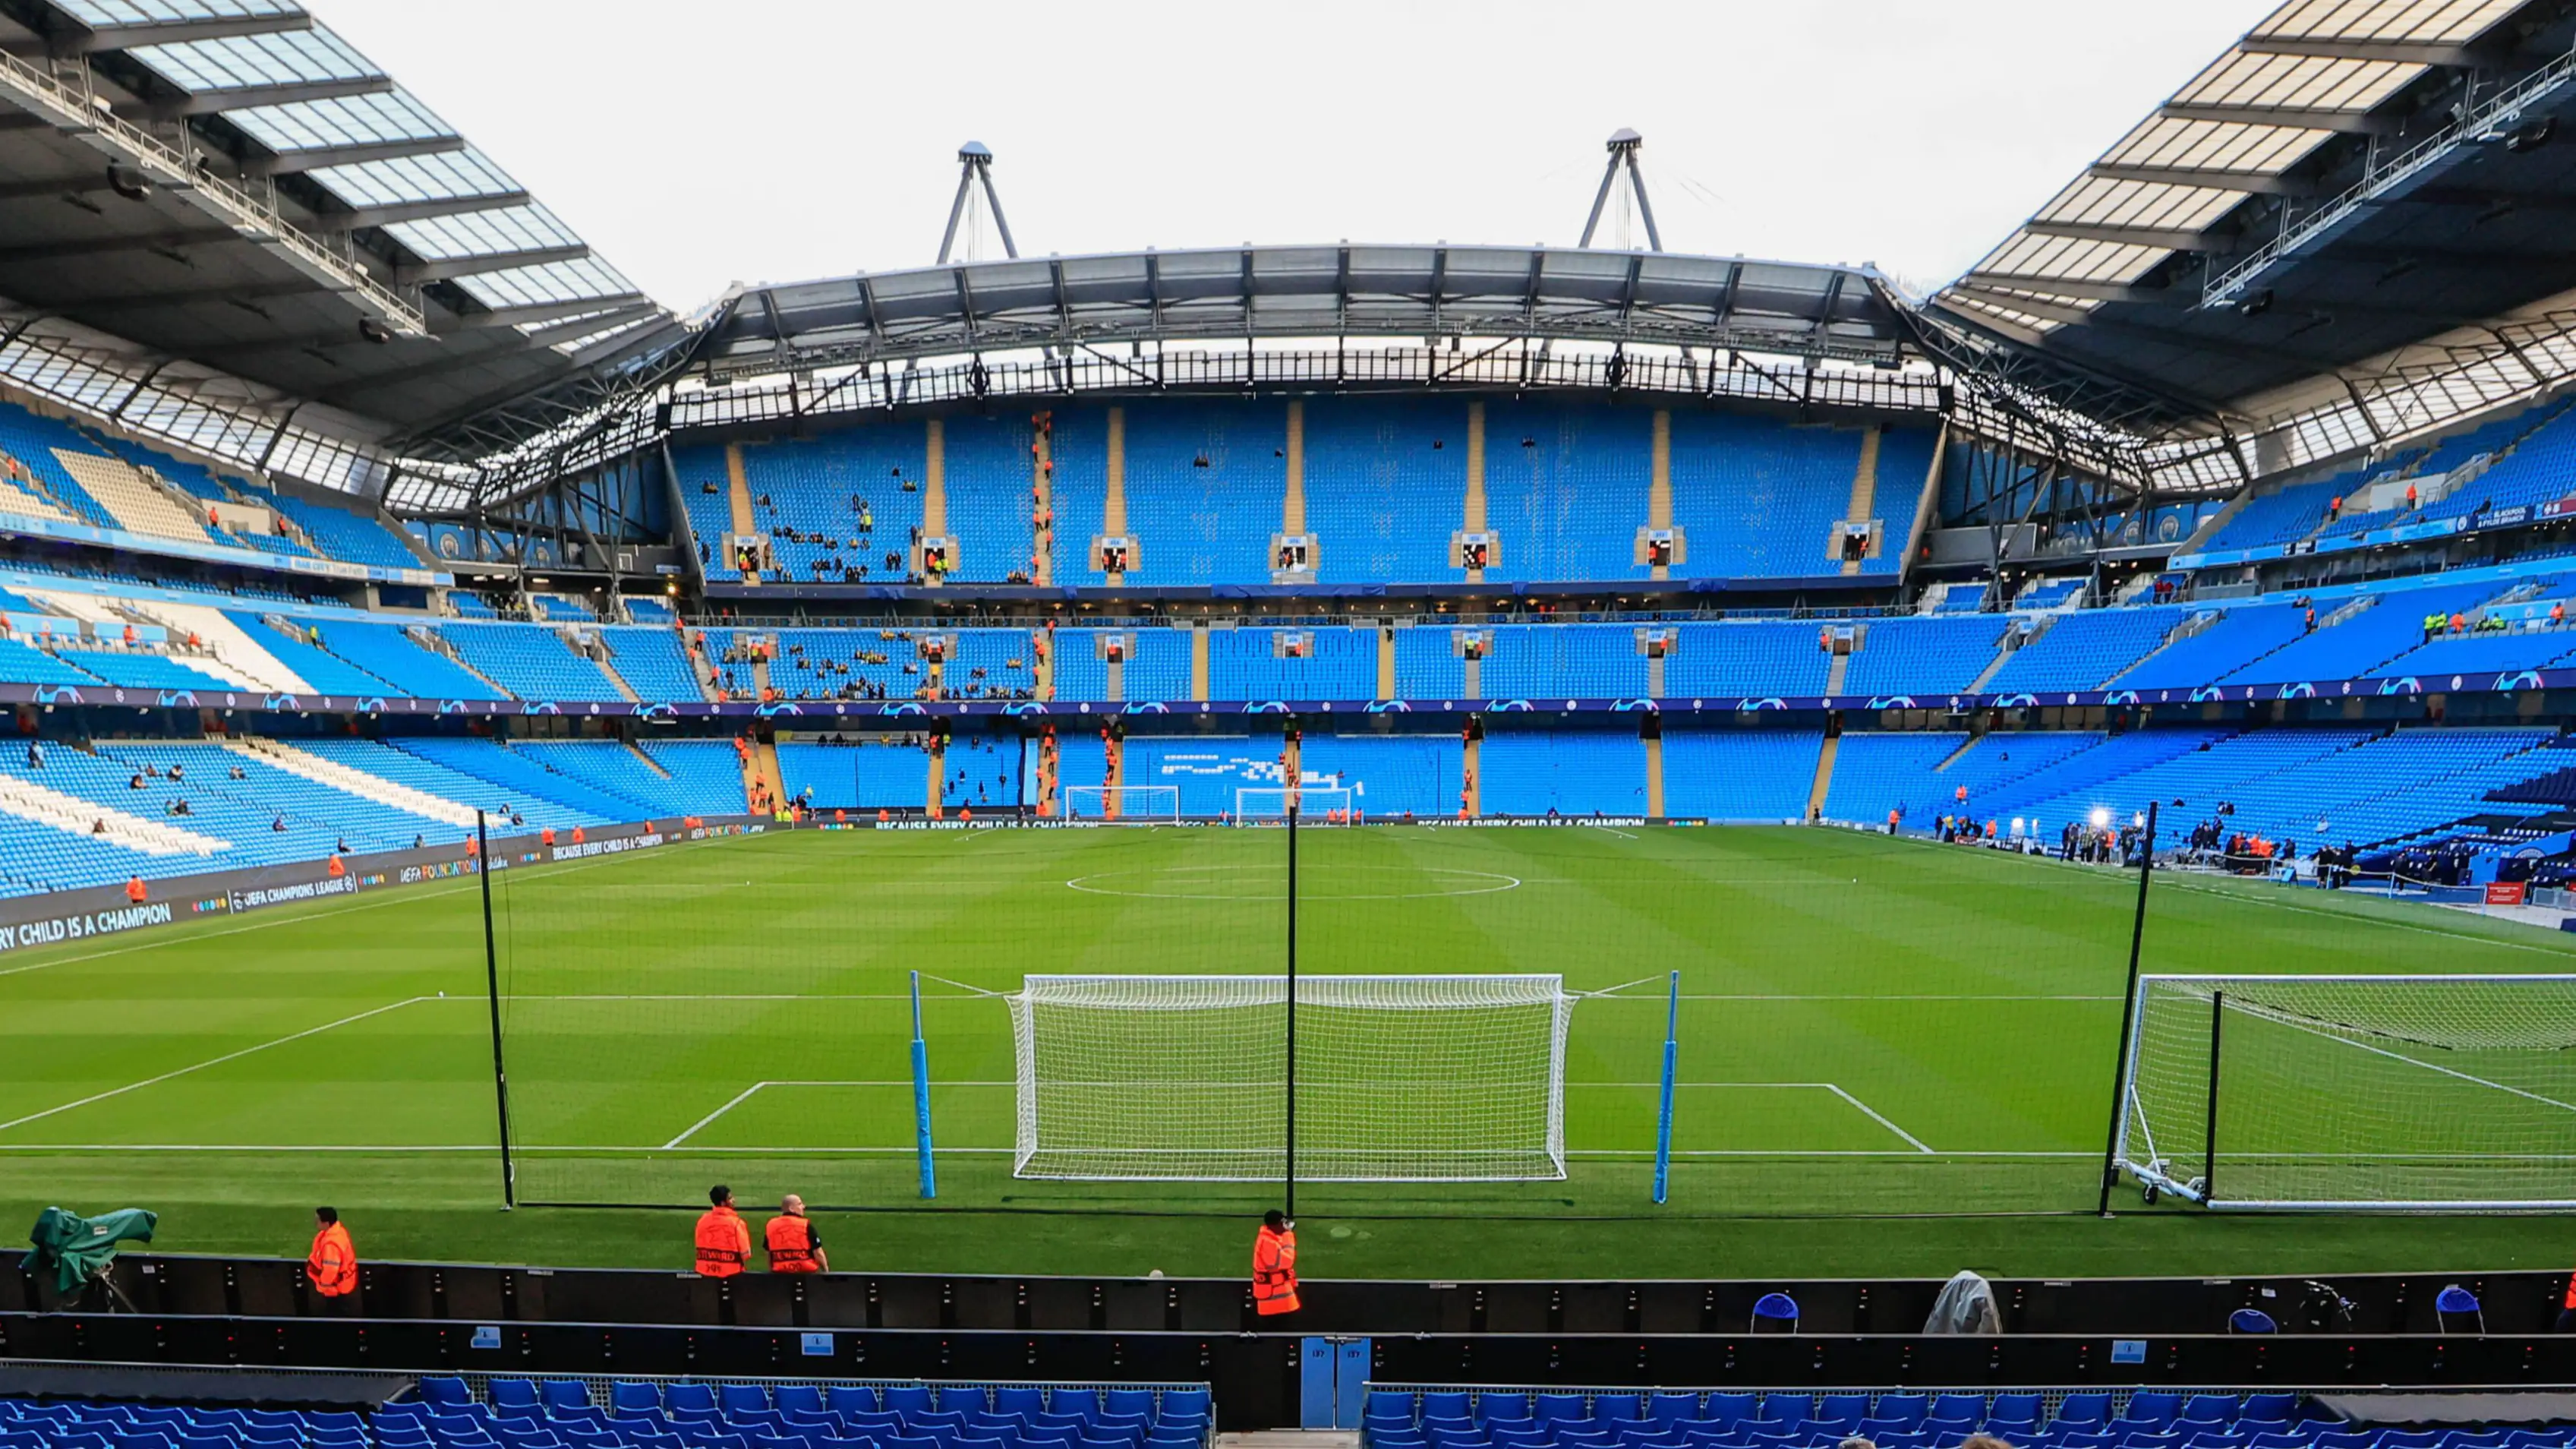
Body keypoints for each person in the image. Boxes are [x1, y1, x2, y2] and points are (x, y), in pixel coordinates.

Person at [694, 1185, 751, 1277]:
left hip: (704, 1272)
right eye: (730, 1198)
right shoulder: (737, 1223)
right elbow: (746, 1254)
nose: (734, 1200)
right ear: (723, 1203)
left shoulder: (702, 1221)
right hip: (732, 1274)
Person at [1252, 1208, 1299, 1317]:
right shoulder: (1267, 1242)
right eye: (1282, 1223)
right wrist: (1288, 1235)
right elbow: (1286, 1262)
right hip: (1273, 1306)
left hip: (1279, 1303)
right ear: (1275, 1225)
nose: (1284, 1226)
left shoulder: (1272, 1239)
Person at [307, 1207, 357, 1308]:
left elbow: (330, 1271)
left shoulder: (331, 1245)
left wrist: (323, 1287)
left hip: (334, 1290)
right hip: (340, 1286)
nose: (315, 1223)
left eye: (317, 1220)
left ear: (326, 1223)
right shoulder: (337, 1231)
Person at [765, 1194, 827, 1274]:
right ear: (791, 1209)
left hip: (780, 1274)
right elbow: (818, 1252)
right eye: (800, 1204)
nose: (804, 1207)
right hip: (805, 1274)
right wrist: (826, 1271)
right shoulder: (805, 1224)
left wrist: (771, 1271)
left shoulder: (771, 1225)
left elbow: (768, 1253)